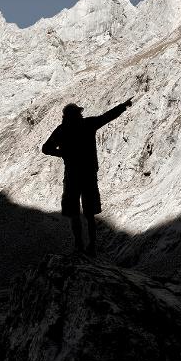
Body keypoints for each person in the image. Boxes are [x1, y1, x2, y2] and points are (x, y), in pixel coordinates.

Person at [42, 97, 133, 256]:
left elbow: (46, 148)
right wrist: (122, 106)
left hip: (71, 175)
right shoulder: (87, 124)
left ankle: (79, 245)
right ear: (77, 114)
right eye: (78, 113)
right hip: (89, 175)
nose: (80, 115)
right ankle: (92, 247)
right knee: (89, 213)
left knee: (74, 212)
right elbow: (107, 117)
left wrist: (63, 154)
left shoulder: (61, 130)